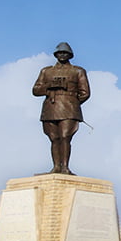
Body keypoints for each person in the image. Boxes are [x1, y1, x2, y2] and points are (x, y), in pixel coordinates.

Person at [32, 42, 90, 175]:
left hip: (69, 109)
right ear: (56, 54)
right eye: (60, 52)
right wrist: (49, 86)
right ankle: (56, 167)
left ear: (70, 55)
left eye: (65, 53)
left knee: (65, 136)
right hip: (50, 107)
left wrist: (72, 102)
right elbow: (35, 90)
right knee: (54, 138)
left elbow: (85, 93)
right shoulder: (46, 71)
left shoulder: (78, 71)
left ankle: (65, 167)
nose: (62, 55)